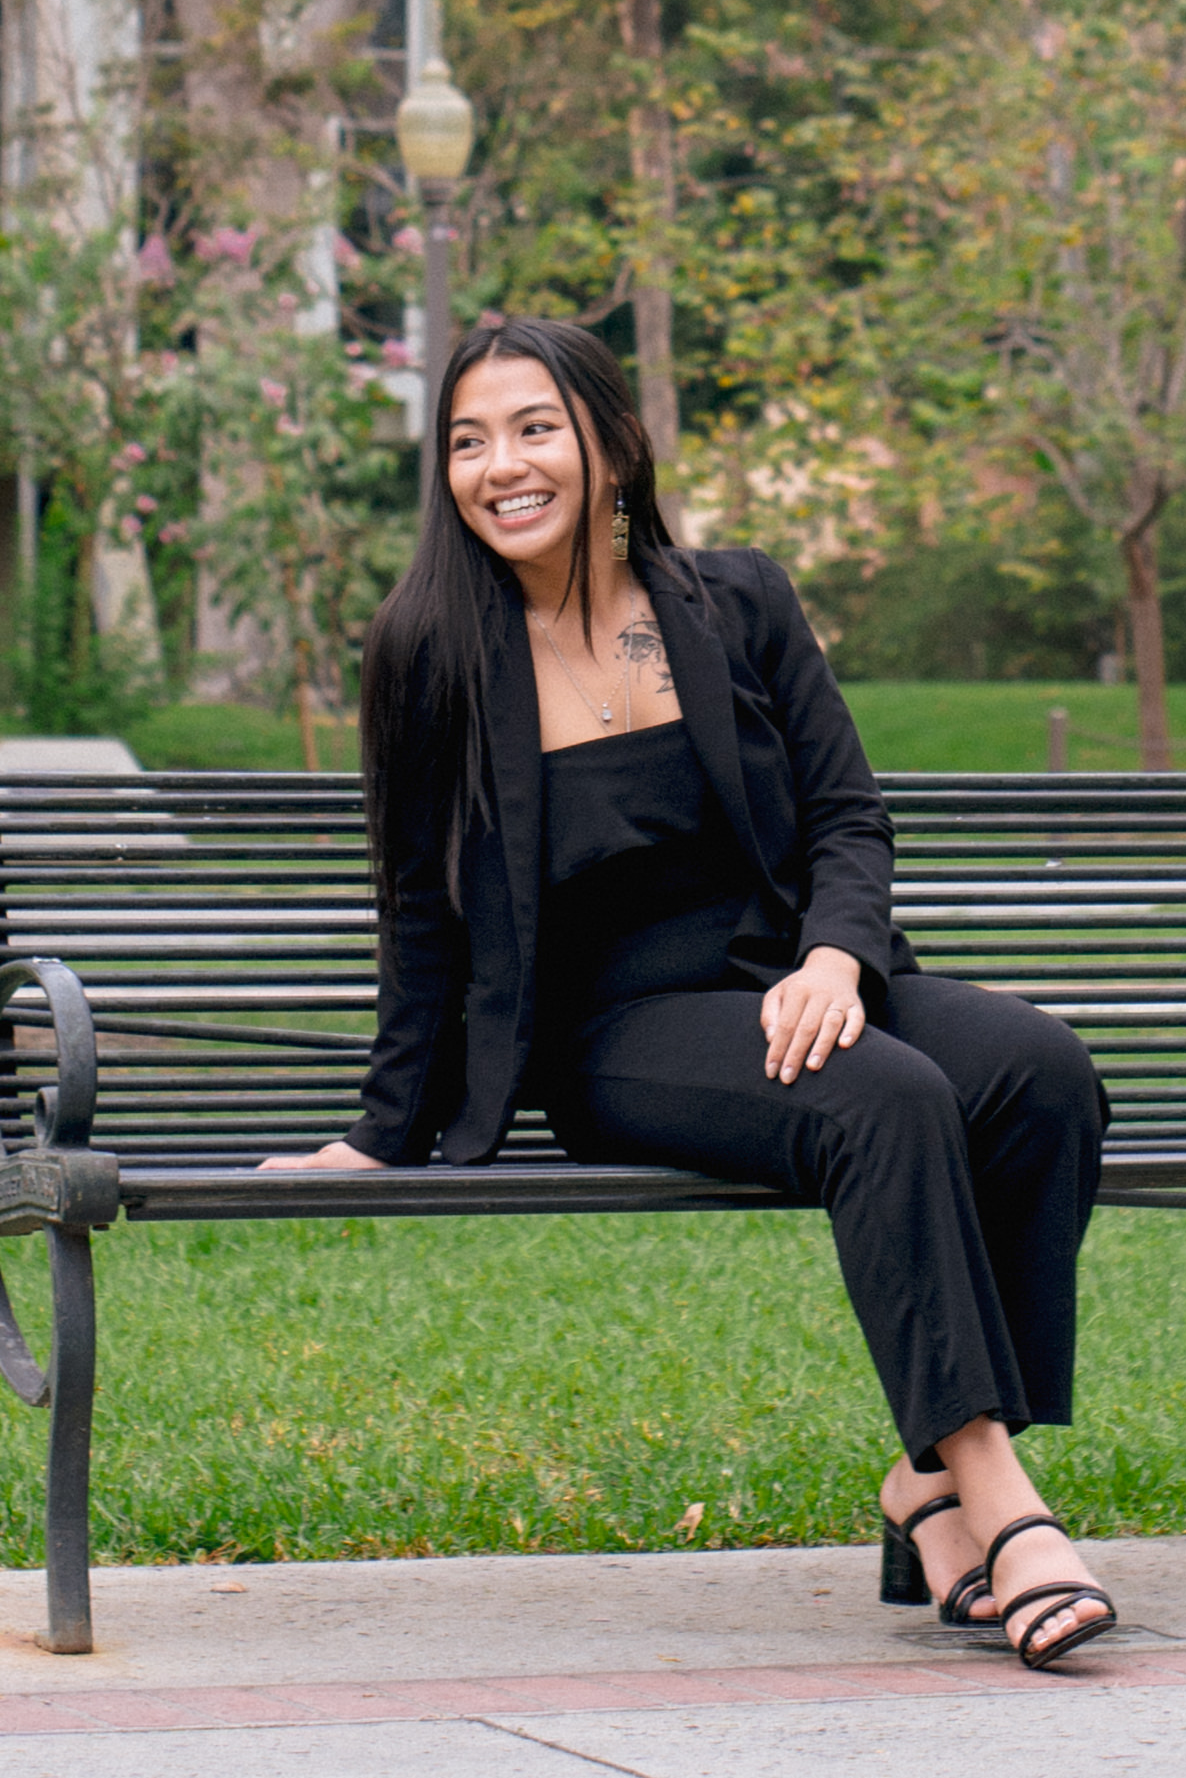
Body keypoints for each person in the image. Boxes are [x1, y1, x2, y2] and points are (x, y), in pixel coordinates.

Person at [262, 314, 1121, 1671]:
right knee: (886, 1096)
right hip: (613, 1036)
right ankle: (1000, 1499)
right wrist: (379, 1127)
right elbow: (419, 911)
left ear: (612, 442)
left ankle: (926, 1483)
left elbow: (847, 817)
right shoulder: (427, 646)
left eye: (533, 426)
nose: (500, 465)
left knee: (1039, 1071)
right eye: (468, 439)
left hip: (790, 979)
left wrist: (836, 957)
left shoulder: (735, 600)